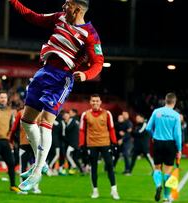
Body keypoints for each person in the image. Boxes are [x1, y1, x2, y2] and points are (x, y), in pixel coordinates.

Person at [10, 0, 104, 191]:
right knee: (26, 121)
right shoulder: (59, 18)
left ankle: (37, 173)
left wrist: (86, 75)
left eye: (67, 4)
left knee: (46, 121)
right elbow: (32, 17)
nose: (63, 6)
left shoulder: (90, 34)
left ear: (77, 9)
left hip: (62, 78)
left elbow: (99, 62)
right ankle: (40, 162)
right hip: (44, 72)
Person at [79, 94, 119, 200]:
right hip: (92, 144)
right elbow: (82, 130)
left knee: (110, 166)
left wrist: (114, 143)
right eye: (93, 101)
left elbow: (111, 129)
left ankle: (114, 190)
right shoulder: (85, 114)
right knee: (93, 168)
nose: (95, 103)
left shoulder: (107, 114)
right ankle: (95, 191)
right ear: (90, 102)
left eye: (97, 101)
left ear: (100, 102)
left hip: (105, 143)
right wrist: (82, 145)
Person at [146, 93, 182, 203]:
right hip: (170, 144)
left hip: (157, 142)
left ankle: (158, 185)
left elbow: (148, 128)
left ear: (165, 101)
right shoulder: (176, 115)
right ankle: (166, 198)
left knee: (157, 169)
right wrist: (179, 149)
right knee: (167, 173)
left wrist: (153, 136)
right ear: (174, 102)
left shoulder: (157, 112)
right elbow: (177, 134)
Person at [10, 108, 41, 194]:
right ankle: (34, 188)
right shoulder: (41, 112)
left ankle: (25, 188)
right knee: (35, 166)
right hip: (33, 144)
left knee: (25, 166)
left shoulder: (21, 112)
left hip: (27, 143)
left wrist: (11, 140)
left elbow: (14, 128)